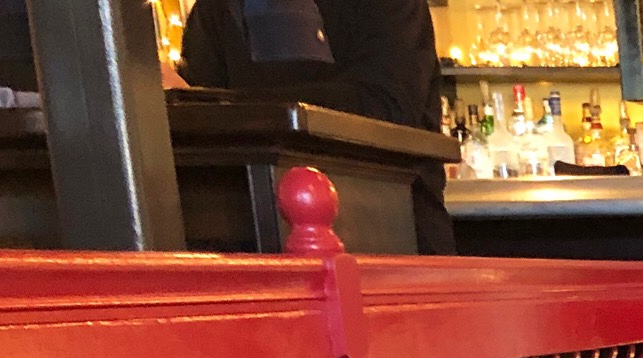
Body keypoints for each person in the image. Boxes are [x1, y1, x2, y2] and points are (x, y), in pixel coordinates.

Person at [173, 0, 455, 254]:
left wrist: (221, 104)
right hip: (254, 247)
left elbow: (388, 107)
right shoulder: (217, 9)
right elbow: (199, 122)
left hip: (391, 240)